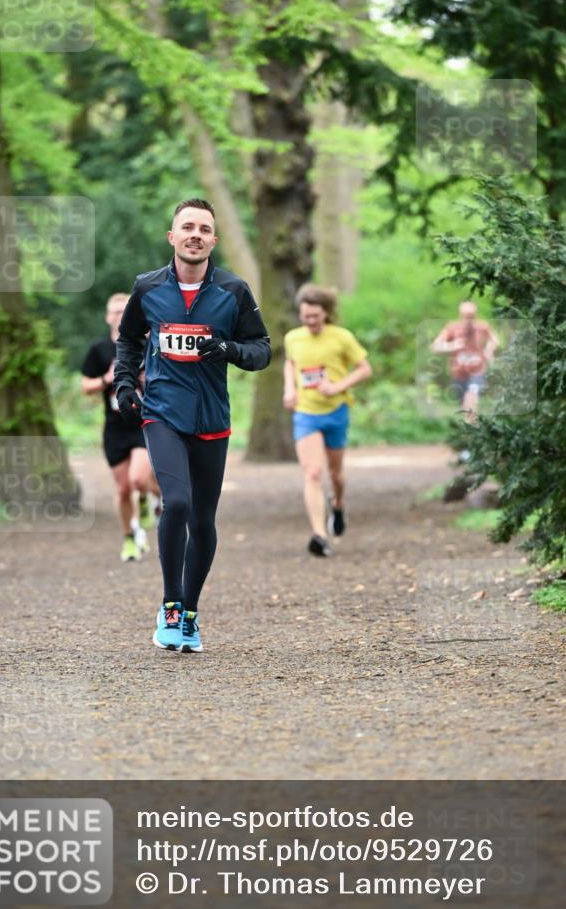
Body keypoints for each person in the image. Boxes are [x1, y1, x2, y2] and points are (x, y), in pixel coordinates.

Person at [114, 198, 270, 653]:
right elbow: (128, 338)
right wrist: (126, 384)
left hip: (212, 420)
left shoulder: (233, 291)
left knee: (203, 520)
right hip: (162, 413)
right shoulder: (147, 289)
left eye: (204, 228)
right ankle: (170, 607)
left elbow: (261, 349)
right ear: (172, 236)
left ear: (214, 240)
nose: (195, 234)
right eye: (188, 227)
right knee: (176, 503)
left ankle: (191, 615)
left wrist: (229, 351)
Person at [283, 284, 372, 558]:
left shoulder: (341, 337)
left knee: (335, 474)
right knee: (312, 472)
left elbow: (365, 369)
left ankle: (338, 503)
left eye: (315, 316)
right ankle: (319, 535)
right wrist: (290, 388)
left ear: (326, 313)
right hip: (306, 413)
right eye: (305, 316)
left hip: (335, 411)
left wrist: (337, 386)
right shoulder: (293, 338)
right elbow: (290, 363)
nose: (310, 321)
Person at [81, 293, 160, 563]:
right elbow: (85, 386)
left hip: (142, 421)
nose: (117, 316)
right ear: (106, 317)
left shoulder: (148, 344)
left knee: (139, 479)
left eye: (123, 310)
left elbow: (166, 381)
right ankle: (129, 537)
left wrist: (145, 379)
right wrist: (106, 379)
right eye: (113, 311)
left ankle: (153, 500)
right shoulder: (99, 350)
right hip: (114, 427)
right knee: (123, 488)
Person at [430, 301, 499, 422]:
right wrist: (452, 346)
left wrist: (489, 350)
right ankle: (467, 428)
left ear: (475, 315)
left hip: (477, 370)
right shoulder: (452, 327)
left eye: (471, 316)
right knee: (463, 402)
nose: (469, 319)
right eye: (466, 316)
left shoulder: (482, 327)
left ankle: (471, 428)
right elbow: (435, 346)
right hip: (458, 373)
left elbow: (494, 340)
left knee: (471, 396)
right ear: (460, 315)